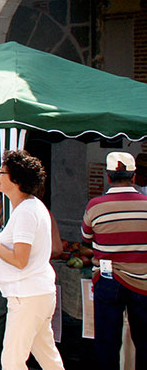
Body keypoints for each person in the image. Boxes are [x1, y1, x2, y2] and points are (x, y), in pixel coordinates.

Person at [0, 150, 64, 370]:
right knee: (47, 356)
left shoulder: (26, 211)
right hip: (35, 293)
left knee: (12, 360)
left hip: (27, 295)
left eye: (1, 172)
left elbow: (20, 259)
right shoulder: (29, 207)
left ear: (15, 179)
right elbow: (19, 247)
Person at [81, 151, 147, 370]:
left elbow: (87, 239)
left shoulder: (95, 206)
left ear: (108, 177)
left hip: (108, 281)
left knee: (107, 343)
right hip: (143, 283)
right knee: (144, 343)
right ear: (134, 176)